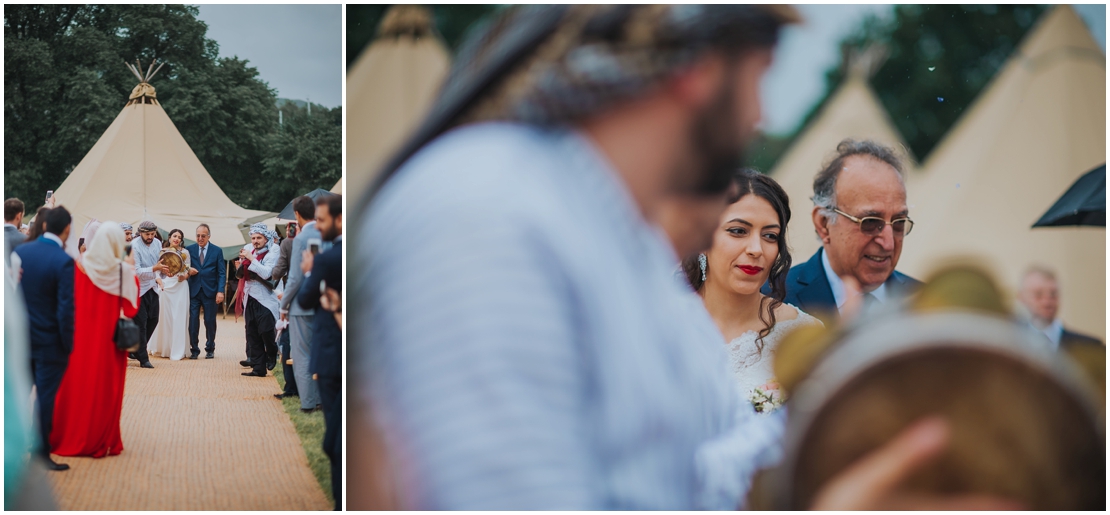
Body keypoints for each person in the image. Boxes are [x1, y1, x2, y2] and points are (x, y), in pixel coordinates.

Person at [354, 5, 1020, 511]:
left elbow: (685, 481)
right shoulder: (489, 209)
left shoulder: (617, 243)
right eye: (759, 78)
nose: (759, 116)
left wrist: (854, 406)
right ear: (697, 71)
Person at [681, 169, 822, 398]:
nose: (756, 249)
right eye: (738, 231)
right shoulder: (658, 326)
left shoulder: (802, 336)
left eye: (769, 236)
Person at [776, 139, 921, 326]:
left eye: (899, 223)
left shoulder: (926, 304)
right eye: (870, 222)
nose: (889, 243)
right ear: (824, 223)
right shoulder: (772, 300)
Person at [50, 223, 139, 458]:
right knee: (103, 389)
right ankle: (99, 437)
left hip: (78, 337)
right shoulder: (122, 272)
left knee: (75, 386)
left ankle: (67, 433)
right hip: (109, 342)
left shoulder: (79, 265)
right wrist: (130, 265)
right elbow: (131, 310)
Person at [13, 206, 75, 471]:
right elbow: (65, 309)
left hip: (20, 338)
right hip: (50, 342)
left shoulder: (21, 252)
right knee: (45, 398)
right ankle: (40, 452)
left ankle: (12, 446)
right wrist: (68, 343)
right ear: (67, 230)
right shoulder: (63, 260)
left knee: (17, 395)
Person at [297, 194, 343, 509]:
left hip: (331, 355)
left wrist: (310, 272)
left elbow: (305, 300)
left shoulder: (327, 259)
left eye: (322, 220)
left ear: (338, 220)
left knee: (334, 436)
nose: (318, 226)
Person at [282, 196, 322, 412]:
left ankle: (308, 403)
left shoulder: (300, 238)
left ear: (297, 214)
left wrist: (284, 305)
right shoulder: (328, 235)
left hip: (301, 305)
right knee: (318, 352)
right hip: (323, 302)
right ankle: (321, 399)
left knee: (301, 354)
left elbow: (295, 278)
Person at [1016, 266, 1103, 350]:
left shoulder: (1089, 347)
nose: (1047, 302)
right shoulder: (1012, 348)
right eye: (1038, 295)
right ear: (1022, 298)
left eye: (1053, 294)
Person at [235, 223, 280, 377]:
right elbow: (243, 271)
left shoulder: (273, 251)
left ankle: (272, 352)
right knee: (252, 332)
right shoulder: (249, 248)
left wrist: (251, 259)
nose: (255, 241)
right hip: (249, 295)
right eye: (253, 237)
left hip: (265, 298)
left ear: (265, 238)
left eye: (259, 238)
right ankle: (258, 368)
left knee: (266, 331)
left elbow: (267, 273)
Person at [147, 229, 192, 361]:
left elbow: (188, 269)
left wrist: (184, 276)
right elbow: (156, 270)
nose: (177, 238)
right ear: (170, 237)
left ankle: (177, 349)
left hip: (180, 286)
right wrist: (160, 281)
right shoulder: (162, 251)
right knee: (164, 316)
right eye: (174, 236)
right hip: (166, 286)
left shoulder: (185, 252)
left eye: (179, 237)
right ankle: (163, 347)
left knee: (179, 316)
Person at [185, 224, 226, 360]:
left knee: (209, 321)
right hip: (193, 291)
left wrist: (220, 291)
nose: (200, 238)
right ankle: (194, 349)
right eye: (198, 235)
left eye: (203, 235)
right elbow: (183, 268)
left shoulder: (217, 251)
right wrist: (188, 271)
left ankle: (210, 348)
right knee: (193, 321)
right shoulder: (189, 250)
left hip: (211, 292)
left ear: (209, 236)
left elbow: (221, 273)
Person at [270, 220, 299, 400]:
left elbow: (277, 272)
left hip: (295, 300)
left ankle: (291, 388)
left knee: (287, 342)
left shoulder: (288, 243)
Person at [129, 221, 163, 369]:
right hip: (138, 288)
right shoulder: (134, 245)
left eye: (152, 234)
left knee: (154, 320)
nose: (150, 237)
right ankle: (144, 359)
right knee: (141, 323)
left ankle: (136, 348)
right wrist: (154, 268)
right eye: (147, 234)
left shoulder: (157, 243)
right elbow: (136, 271)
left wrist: (161, 273)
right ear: (140, 233)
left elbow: (160, 263)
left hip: (152, 287)